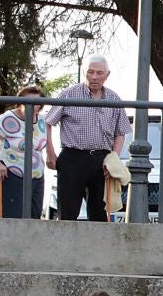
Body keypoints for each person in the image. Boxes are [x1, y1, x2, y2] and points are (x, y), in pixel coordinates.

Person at [42, 57, 128, 223]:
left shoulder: (114, 98)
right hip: (73, 157)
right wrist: (50, 153)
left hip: (101, 159)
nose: (94, 76)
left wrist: (113, 158)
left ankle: (97, 247)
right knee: (68, 212)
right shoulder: (69, 94)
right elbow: (47, 122)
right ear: (84, 72)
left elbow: (121, 132)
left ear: (107, 75)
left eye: (99, 73)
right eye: (90, 72)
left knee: (99, 213)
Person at [0, 85, 49, 220]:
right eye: (27, 102)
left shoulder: (41, 120)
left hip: (37, 176)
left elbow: (42, 144)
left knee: (35, 217)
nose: (32, 106)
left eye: (36, 103)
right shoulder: (8, 119)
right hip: (13, 175)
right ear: (20, 102)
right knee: (13, 218)